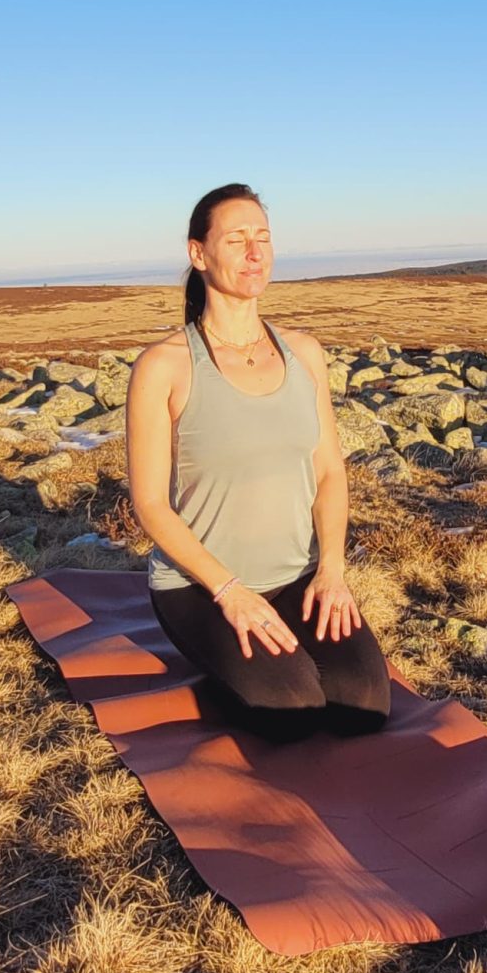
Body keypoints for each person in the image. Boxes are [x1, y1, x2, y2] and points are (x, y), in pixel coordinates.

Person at [126, 182, 392, 744]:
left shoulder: (304, 352)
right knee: (293, 707)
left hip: (297, 575)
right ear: (199, 254)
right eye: (236, 239)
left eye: (263, 238)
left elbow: (329, 472)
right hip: (201, 588)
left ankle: (266, 665)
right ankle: (231, 673)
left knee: (364, 702)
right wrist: (230, 593)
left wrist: (332, 572)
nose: (254, 253)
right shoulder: (164, 366)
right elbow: (149, 504)